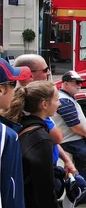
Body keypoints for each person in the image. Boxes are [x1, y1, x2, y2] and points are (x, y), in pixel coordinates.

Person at [2, 81, 60, 208]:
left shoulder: (19, 125)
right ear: (44, 104)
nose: (59, 104)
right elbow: (45, 190)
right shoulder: (41, 139)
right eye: (57, 100)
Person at [52, 71, 86, 205]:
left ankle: (83, 195)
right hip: (72, 141)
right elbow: (74, 125)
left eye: (80, 82)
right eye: (76, 82)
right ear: (65, 83)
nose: (79, 85)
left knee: (83, 169)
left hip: (72, 140)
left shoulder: (66, 97)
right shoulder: (64, 99)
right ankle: (83, 196)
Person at [0, 58, 31, 208]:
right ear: (1, 90)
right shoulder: (6, 135)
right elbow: (12, 190)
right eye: (13, 83)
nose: (16, 88)